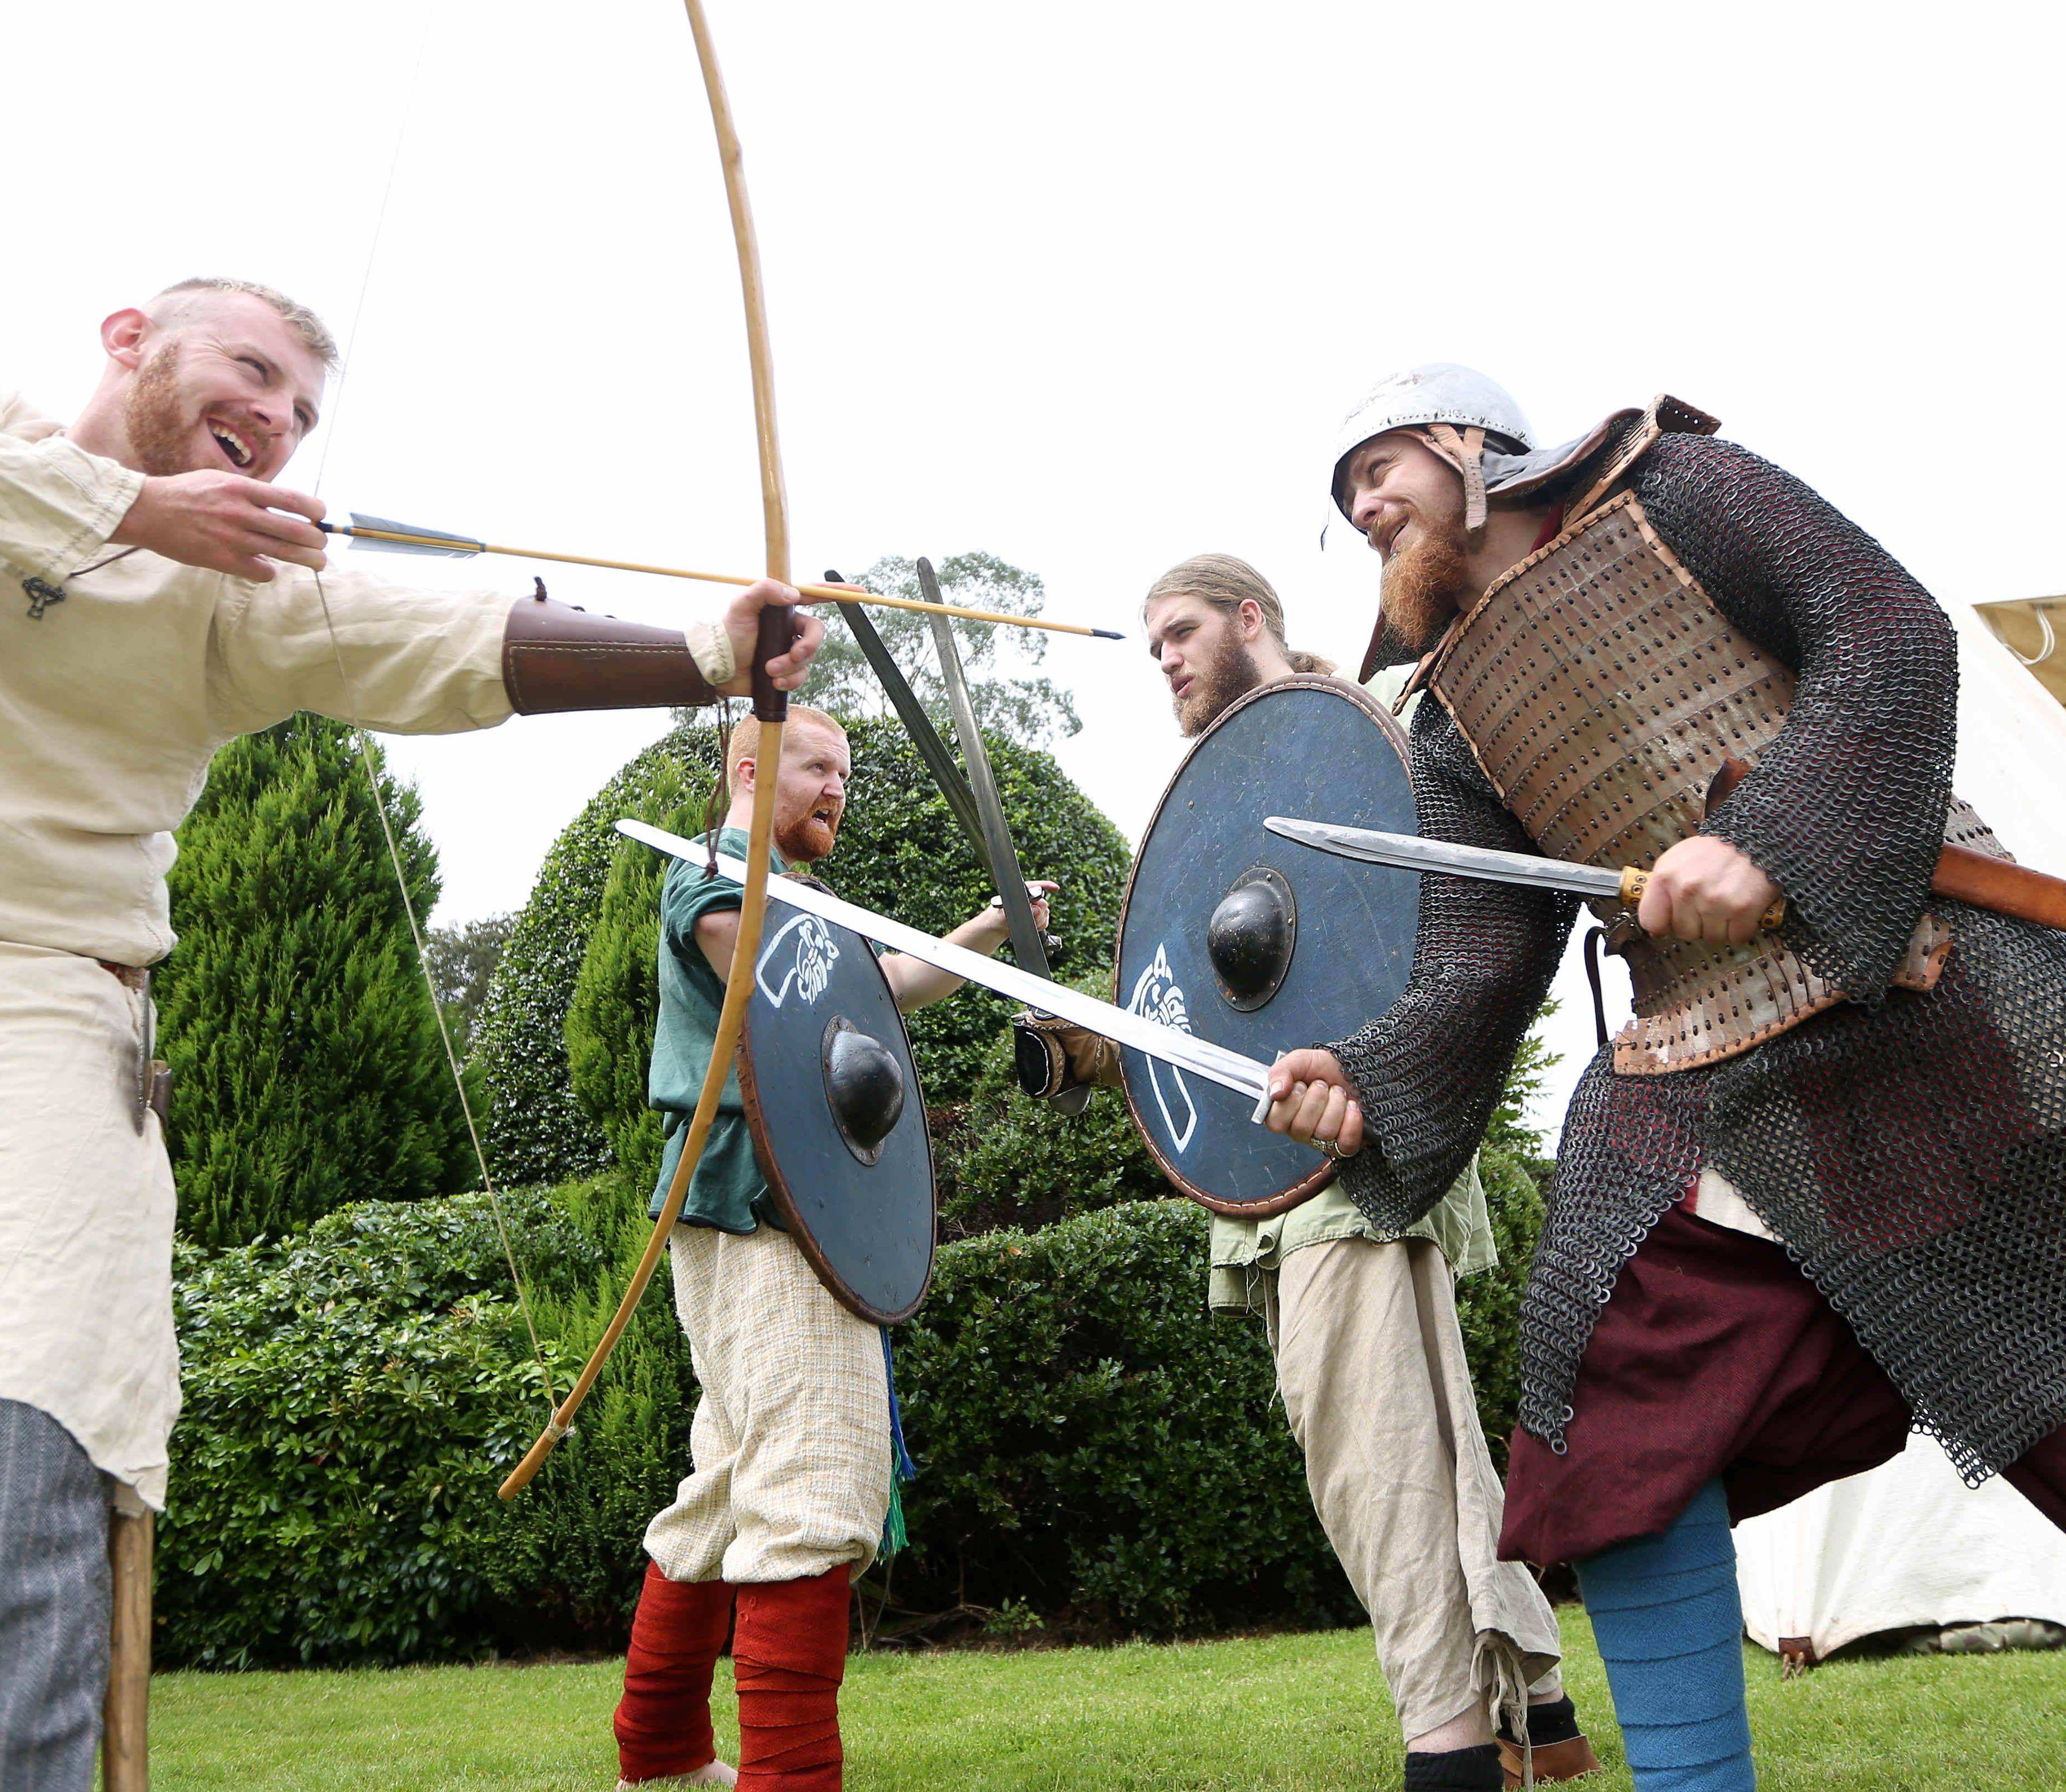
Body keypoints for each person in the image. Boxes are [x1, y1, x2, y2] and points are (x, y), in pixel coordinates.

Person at [0, 276, 821, 1792]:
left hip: (14, 1067)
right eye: (254, 370)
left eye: (302, 409)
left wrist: (701, 647)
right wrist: (126, 508)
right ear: (128, 337)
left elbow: (436, 641)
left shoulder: (237, 591)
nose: (281, 421)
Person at [1265, 363, 2066, 1790]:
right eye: (1346, 502)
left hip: (1919, 994)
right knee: (1603, 1421)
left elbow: (1885, 640)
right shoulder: (1452, 714)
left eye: (1379, 470)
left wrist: (1774, 841)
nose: (1367, 508)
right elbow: (1476, 967)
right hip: (1695, 1067)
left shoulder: (1682, 491)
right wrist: (1369, 1085)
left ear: (1472, 444)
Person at [1142, 554, 1597, 1792]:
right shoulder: (1223, 799)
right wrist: (1094, 1045)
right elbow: (1200, 997)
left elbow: (1460, 937)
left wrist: (1366, 1071)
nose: (1165, 661)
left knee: (1369, 1453)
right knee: (1431, 1441)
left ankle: (1446, 1747)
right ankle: (1539, 1711)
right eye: (1150, 648)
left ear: (1251, 619)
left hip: (1363, 1146)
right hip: (1286, 1158)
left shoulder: (1384, 733)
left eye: (1179, 631)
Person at [612, 704, 1051, 1792]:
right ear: (752, 768)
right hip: (763, 1213)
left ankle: (659, 1752)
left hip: (765, 1218)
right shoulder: (712, 872)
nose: (836, 787)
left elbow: (878, 992)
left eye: (844, 772)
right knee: (810, 1482)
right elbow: (757, 973)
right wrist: (798, 918)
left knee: (729, 1480)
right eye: (814, 765)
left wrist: (986, 930)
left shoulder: (795, 897)